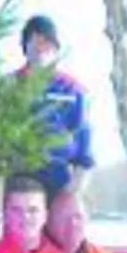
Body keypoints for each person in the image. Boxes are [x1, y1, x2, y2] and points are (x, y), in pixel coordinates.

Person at [15, 15, 94, 197]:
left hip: (59, 180)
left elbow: (84, 143)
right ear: (25, 46)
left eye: (46, 42)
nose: (40, 48)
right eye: (35, 41)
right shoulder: (9, 86)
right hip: (19, 180)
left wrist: (75, 188)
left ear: (56, 48)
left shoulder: (72, 89)